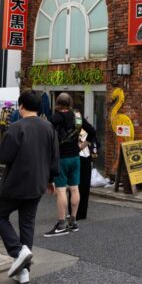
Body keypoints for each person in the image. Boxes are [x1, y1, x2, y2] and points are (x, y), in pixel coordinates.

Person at [0, 90, 59, 284]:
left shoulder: (16, 127)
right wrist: (51, 179)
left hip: (15, 183)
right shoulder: (49, 128)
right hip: (38, 184)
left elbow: (4, 157)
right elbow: (54, 157)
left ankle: (18, 251)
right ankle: (24, 272)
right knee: (27, 223)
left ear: (21, 106)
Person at [44, 93, 82, 237]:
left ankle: (61, 224)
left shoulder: (55, 118)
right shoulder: (77, 116)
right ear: (70, 102)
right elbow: (91, 131)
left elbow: (47, 137)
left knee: (61, 191)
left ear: (58, 103)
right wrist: (81, 146)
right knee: (74, 188)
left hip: (61, 158)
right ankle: (73, 221)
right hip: (75, 157)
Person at [75, 117, 99, 221]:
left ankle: (75, 212)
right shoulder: (84, 127)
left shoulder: (75, 128)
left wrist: (80, 146)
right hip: (86, 156)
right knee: (83, 186)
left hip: (80, 156)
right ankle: (81, 212)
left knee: (76, 185)